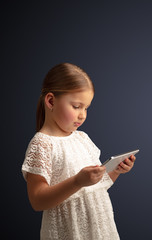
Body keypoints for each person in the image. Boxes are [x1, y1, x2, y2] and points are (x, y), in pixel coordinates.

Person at [21, 63, 136, 239]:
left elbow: (94, 187)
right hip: (69, 232)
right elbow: (37, 200)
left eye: (86, 108)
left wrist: (116, 171)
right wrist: (77, 181)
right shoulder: (42, 144)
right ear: (51, 101)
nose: (83, 115)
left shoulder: (82, 138)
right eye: (76, 106)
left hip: (100, 230)